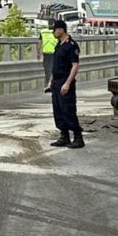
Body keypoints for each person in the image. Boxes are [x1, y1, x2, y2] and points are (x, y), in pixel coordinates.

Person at [49, 19, 84, 149]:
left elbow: (75, 66)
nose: (53, 32)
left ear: (61, 30)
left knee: (68, 110)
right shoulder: (59, 45)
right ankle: (64, 136)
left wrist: (67, 83)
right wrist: (50, 81)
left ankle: (78, 137)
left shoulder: (71, 45)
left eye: (55, 30)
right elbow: (55, 65)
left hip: (65, 81)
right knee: (58, 111)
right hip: (56, 82)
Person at [38, 24, 58, 93]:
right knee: (54, 69)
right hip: (55, 52)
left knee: (47, 69)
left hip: (46, 52)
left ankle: (49, 84)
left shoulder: (43, 32)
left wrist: (39, 52)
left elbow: (39, 43)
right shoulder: (57, 32)